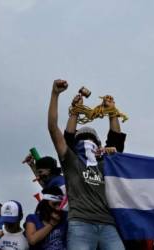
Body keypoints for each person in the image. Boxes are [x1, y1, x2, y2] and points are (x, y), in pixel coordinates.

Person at [48, 79, 126, 250]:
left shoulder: (106, 163)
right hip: (80, 224)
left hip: (108, 225)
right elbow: (54, 129)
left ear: (99, 146)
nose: (87, 143)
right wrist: (57, 96)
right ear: (75, 146)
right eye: (82, 140)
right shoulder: (71, 161)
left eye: (92, 141)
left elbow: (116, 140)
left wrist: (112, 111)